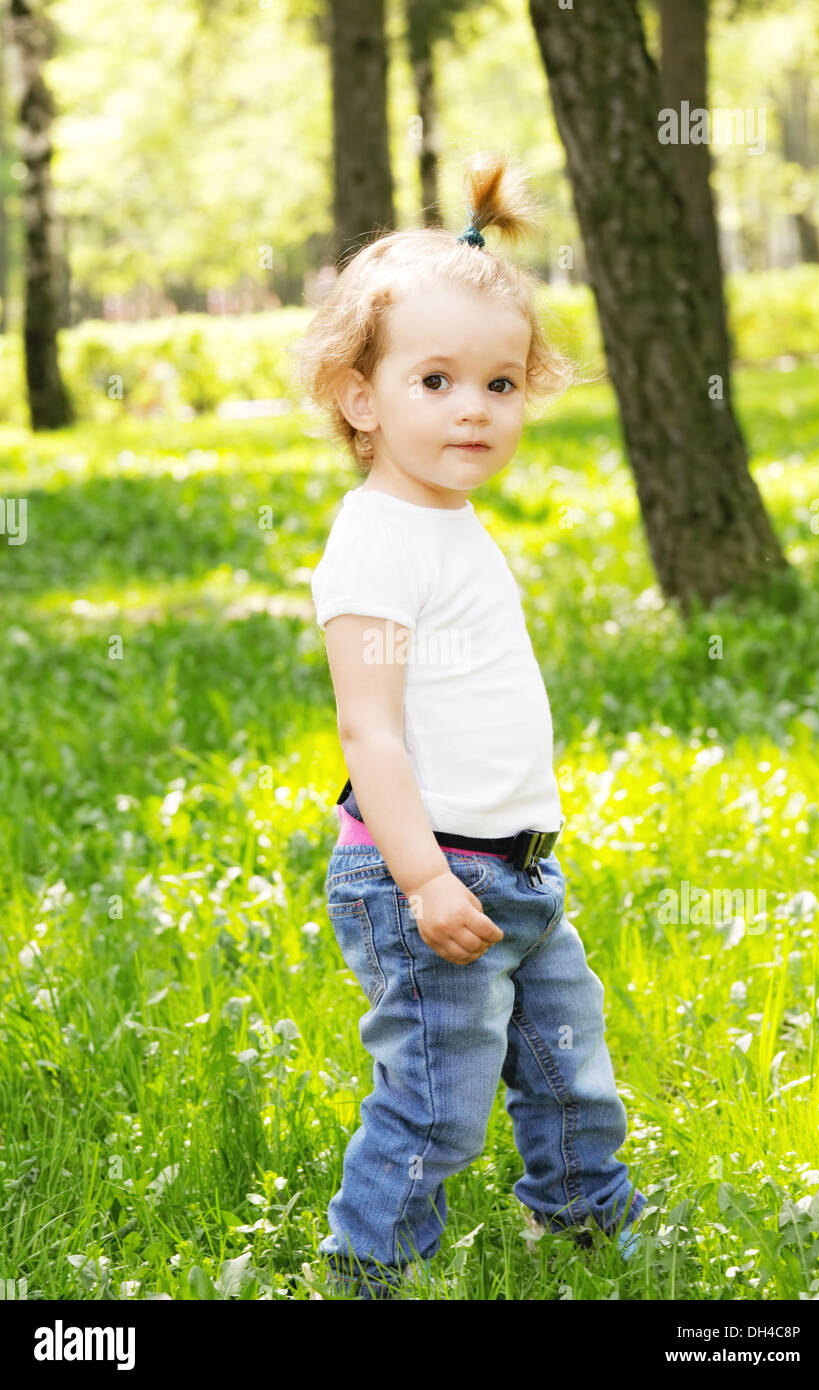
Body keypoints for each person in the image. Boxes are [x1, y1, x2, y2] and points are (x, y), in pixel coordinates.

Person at [294, 152, 646, 1300]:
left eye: (499, 385)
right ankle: (369, 1268)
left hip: (519, 875)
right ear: (360, 396)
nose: (473, 409)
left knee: (565, 1075)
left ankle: (591, 1235)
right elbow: (373, 733)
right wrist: (422, 880)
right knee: (436, 1105)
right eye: (435, 380)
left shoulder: (448, 522)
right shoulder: (378, 539)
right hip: (428, 878)